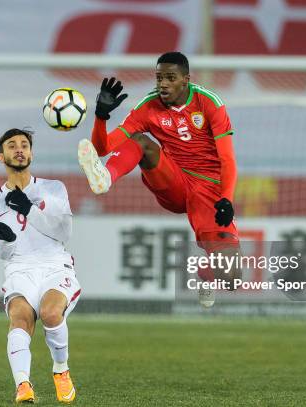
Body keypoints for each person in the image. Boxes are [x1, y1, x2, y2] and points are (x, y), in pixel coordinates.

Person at [77, 51, 240, 306]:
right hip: (173, 180)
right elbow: (103, 148)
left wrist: (227, 199)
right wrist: (101, 116)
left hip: (208, 190)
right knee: (141, 142)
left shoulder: (209, 103)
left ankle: (205, 274)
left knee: (231, 276)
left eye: (170, 78)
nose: (163, 83)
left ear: (186, 79)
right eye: (159, 77)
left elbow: (227, 159)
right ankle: (106, 176)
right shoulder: (147, 107)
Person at [0, 128, 80, 403]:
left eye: (24, 144)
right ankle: (23, 385)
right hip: (19, 269)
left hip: (55, 266)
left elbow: (64, 233)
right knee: (20, 319)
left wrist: (29, 209)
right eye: (12, 145)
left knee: (50, 313)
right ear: (2, 157)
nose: (19, 149)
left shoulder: (53, 188)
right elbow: (4, 253)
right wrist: (8, 240)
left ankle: (61, 371)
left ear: (32, 153)